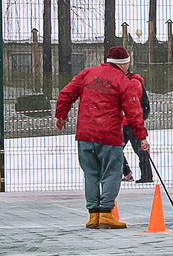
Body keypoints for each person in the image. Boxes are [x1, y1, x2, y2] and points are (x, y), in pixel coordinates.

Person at [55, 44, 149, 228]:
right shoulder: (123, 81)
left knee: (90, 174)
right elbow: (134, 112)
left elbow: (65, 94)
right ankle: (106, 213)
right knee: (112, 173)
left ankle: (93, 215)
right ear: (123, 64)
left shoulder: (87, 74)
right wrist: (141, 137)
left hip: (85, 135)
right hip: (109, 135)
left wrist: (61, 116)